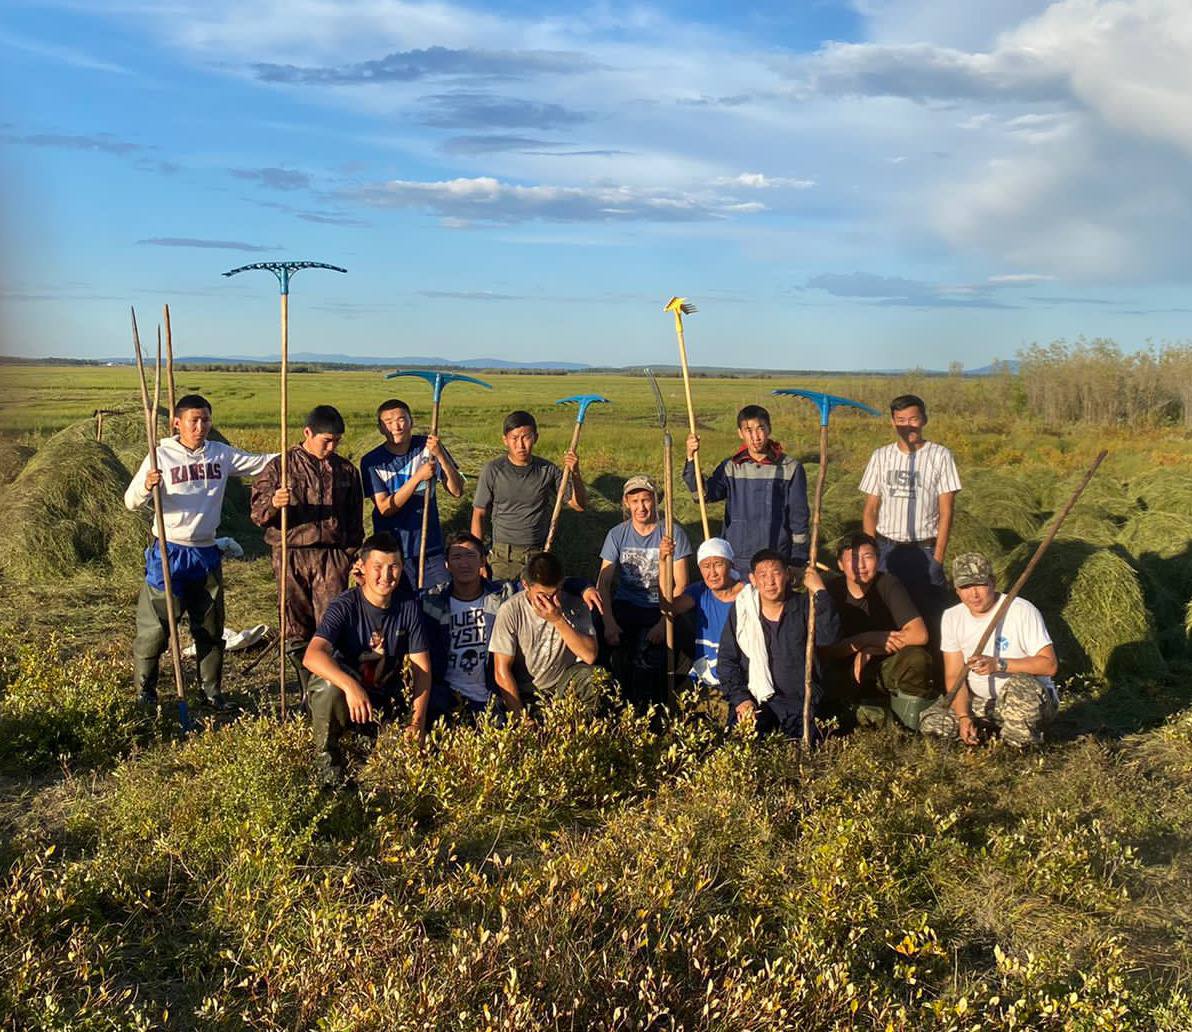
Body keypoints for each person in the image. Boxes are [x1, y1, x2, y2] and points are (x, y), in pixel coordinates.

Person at [124, 393, 276, 709]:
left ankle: (211, 691)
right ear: (176, 423)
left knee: (209, 628)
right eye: (194, 420)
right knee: (156, 628)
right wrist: (147, 486)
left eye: (205, 419)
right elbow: (130, 501)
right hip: (169, 553)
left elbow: (259, 462)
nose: (200, 426)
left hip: (206, 553)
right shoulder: (159, 457)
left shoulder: (219, 454)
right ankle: (145, 692)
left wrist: (299, 453)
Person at [423, 533, 606, 724]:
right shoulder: (432, 602)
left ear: (483, 561)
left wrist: (584, 587)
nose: (464, 563)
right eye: (457, 557)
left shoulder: (501, 595)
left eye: (470, 556)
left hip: (489, 694)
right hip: (449, 694)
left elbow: (545, 582)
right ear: (446, 564)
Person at [303, 533, 432, 784]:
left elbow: (422, 670)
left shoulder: (409, 607)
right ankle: (327, 761)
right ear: (362, 567)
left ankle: (367, 740)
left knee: (401, 771)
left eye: (393, 567)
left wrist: (417, 723)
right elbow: (312, 655)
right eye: (378, 567)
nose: (386, 576)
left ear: (402, 568)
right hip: (347, 696)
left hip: (384, 700)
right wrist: (351, 687)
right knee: (328, 686)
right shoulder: (345, 605)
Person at [250, 405, 364, 691]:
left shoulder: (346, 470)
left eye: (336, 441)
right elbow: (256, 514)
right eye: (326, 440)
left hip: (332, 556)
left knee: (332, 623)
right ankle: (306, 688)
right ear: (307, 433)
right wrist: (275, 503)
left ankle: (328, 687)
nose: (331, 446)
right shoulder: (280, 467)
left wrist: (350, 556)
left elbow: (354, 519)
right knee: (296, 622)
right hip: (291, 554)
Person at [919, 553, 1059, 747]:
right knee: (934, 725)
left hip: (1028, 696)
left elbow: (1049, 665)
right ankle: (985, 730)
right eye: (966, 587)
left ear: (992, 582)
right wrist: (963, 716)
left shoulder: (1021, 610)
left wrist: (999, 664)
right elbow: (953, 675)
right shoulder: (952, 617)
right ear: (957, 590)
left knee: (1021, 688)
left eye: (980, 584)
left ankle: (1020, 745)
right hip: (982, 702)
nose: (974, 594)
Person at [859, 394, 961, 625]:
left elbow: (946, 512)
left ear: (924, 419)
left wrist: (938, 557)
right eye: (901, 420)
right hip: (887, 549)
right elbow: (870, 510)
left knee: (929, 614)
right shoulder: (881, 456)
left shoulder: (940, 456)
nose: (907, 426)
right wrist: (870, 551)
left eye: (913, 419)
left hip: (925, 550)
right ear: (893, 422)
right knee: (884, 611)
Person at [716, 549, 839, 739]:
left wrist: (820, 591)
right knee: (741, 741)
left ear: (788, 575)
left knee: (807, 745)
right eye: (762, 575)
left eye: (776, 573)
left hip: (800, 701)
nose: (770, 582)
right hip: (756, 699)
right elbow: (727, 660)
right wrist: (741, 699)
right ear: (753, 579)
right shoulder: (743, 611)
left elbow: (828, 637)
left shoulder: (805, 606)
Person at [597, 475, 693, 709]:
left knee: (656, 657)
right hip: (627, 604)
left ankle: (658, 706)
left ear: (655, 501)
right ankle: (612, 704)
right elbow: (604, 581)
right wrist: (608, 621)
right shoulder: (617, 534)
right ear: (626, 504)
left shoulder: (672, 534)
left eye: (646, 500)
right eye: (635, 501)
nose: (641, 507)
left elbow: (681, 585)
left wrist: (663, 622)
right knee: (611, 650)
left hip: (660, 606)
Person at [822, 532, 934, 730]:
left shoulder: (888, 584)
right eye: (853, 559)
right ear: (840, 564)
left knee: (917, 658)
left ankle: (908, 722)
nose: (861, 566)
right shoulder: (831, 590)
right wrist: (868, 639)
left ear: (878, 559)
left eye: (868, 557)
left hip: (884, 665)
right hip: (843, 669)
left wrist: (872, 649)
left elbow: (919, 634)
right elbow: (826, 648)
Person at [683, 404, 810, 579]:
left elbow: (799, 517)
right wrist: (691, 457)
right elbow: (703, 495)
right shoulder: (731, 467)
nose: (755, 437)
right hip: (736, 559)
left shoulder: (790, 468)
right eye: (748, 430)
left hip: (775, 558)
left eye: (760, 429)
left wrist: (797, 559)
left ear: (769, 429)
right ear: (740, 433)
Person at [359, 398, 464, 591]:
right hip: (392, 552)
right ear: (381, 428)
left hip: (430, 547)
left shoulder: (429, 448)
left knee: (437, 608)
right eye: (388, 422)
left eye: (401, 419)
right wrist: (417, 478)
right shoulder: (371, 461)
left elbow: (457, 491)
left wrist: (441, 455)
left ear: (411, 421)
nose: (396, 426)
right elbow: (384, 508)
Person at [472, 410, 587, 581]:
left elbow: (578, 505)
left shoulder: (547, 470)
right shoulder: (493, 470)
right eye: (514, 438)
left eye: (526, 437)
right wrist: (478, 560)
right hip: (502, 558)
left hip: (537, 556)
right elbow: (478, 514)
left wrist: (575, 472)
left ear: (536, 437)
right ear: (505, 440)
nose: (521, 445)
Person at [489, 551, 600, 719]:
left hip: (562, 684)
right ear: (526, 585)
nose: (551, 600)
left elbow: (590, 656)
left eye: (556, 593)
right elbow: (501, 669)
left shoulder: (574, 603)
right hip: (526, 690)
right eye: (542, 595)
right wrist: (521, 717)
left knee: (594, 678)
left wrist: (558, 620)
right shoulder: (510, 610)